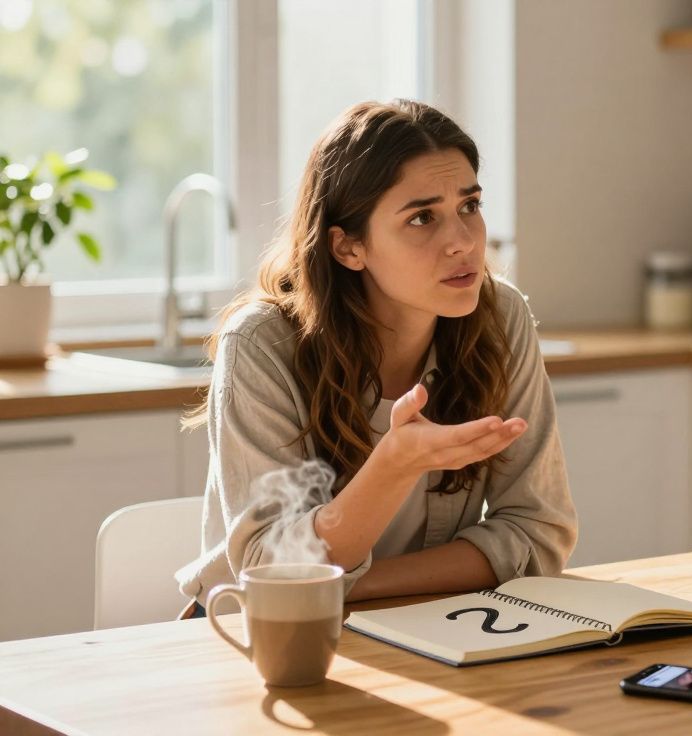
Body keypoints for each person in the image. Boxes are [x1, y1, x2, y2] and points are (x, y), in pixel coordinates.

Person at [176, 100, 577, 612]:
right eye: (422, 218)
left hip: (428, 627)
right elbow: (272, 570)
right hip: (256, 643)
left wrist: (348, 586)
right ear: (348, 248)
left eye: (469, 207)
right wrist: (393, 465)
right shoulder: (261, 344)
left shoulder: (502, 317)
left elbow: (540, 534)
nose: (463, 242)